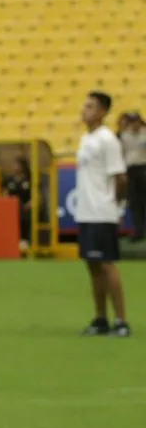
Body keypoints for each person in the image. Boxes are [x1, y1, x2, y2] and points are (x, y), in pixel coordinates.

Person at [76, 91, 131, 338]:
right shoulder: (85, 138)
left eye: (90, 106)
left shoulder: (107, 140)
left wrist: (112, 204)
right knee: (93, 266)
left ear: (101, 112)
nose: (84, 110)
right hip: (86, 212)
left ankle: (121, 321)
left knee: (107, 265)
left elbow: (120, 177)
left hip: (102, 212)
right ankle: (100, 318)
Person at [118, 111, 146, 241]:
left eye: (136, 121)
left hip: (144, 168)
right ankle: (139, 231)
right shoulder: (124, 136)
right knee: (134, 202)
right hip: (131, 170)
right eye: (131, 122)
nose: (134, 125)